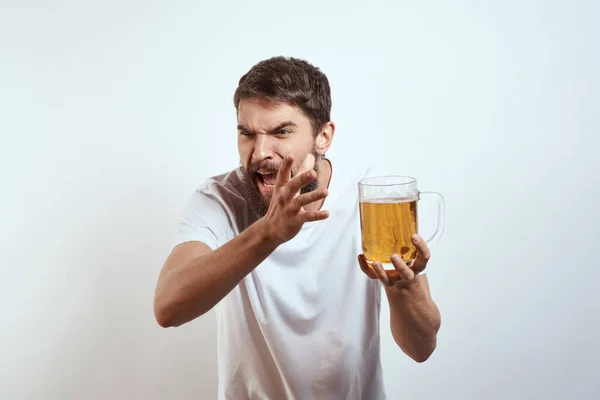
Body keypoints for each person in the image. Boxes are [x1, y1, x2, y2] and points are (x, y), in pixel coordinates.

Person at [153, 56, 441, 400]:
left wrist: (403, 291)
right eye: (247, 134)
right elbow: (167, 308)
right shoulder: (218, 198)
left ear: (323, 137)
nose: (260, 153)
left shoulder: (370, 194)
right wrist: (268, 233)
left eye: (281, 132)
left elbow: (421, 348)